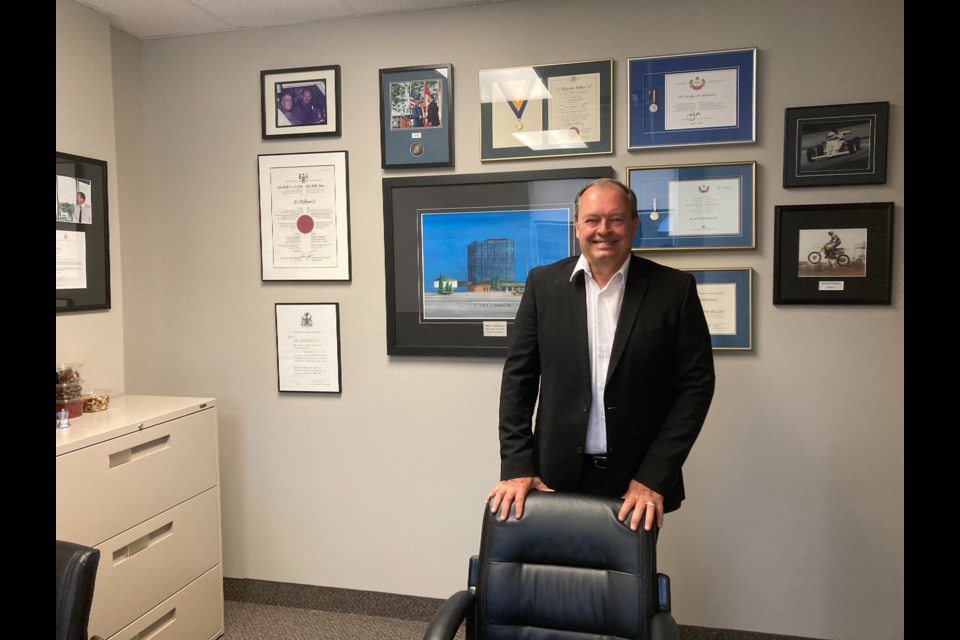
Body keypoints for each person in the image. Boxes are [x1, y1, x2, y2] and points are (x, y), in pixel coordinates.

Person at [487, 178, 715, 533]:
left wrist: (654, 477)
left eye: (616, 219)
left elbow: (696, 388)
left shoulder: (674, 290)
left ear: (634, 224)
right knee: (553, 582)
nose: (603, 230)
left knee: (624, 586)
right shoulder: (542, 286)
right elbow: (518, 380)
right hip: (552, 477)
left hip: (636, 485)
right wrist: (517, 466)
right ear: (577, 225)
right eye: (592, 219)